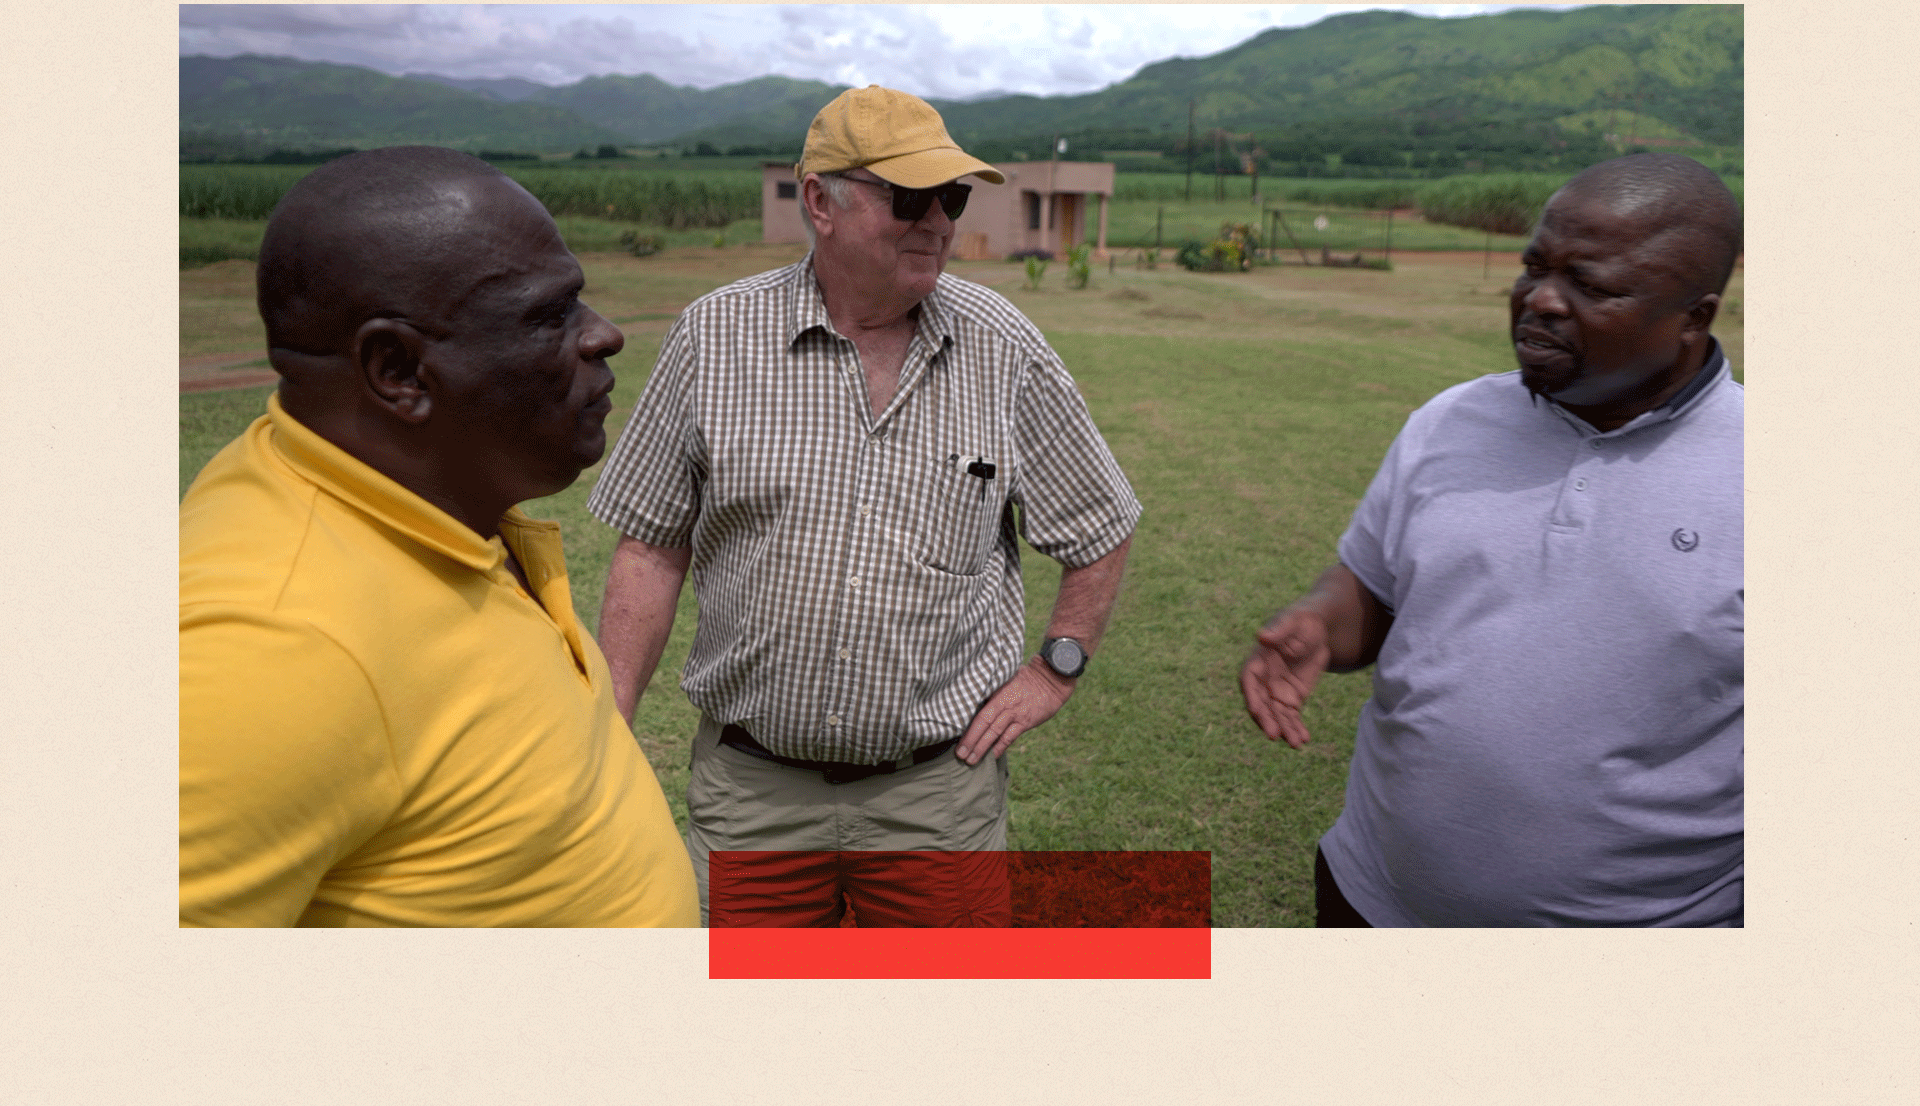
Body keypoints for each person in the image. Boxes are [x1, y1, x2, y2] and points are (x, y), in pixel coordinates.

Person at [587, 86, 1140, 926]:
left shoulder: (1004, 348)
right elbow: (651, 549)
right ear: (821, 200)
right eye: (911, 196)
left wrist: (1053, 669)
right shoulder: (715, 337)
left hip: (937, 803)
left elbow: (1100, 525)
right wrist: (612, 725)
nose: (939, 222)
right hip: (751, 800)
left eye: (951, 197)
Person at [179, 146, 699, 927]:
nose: (606, 335)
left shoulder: (445, 501)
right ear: (399, 371)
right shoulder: (272, 645)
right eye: (549, 315)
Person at [1241, 152, 1743, 928]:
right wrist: (1319, 623)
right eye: (1533, 267)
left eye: (1591, 284)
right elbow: (1371, 587)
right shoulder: (1450, 422)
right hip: (1372, 898)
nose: (1540, 300)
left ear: (1694, 318)